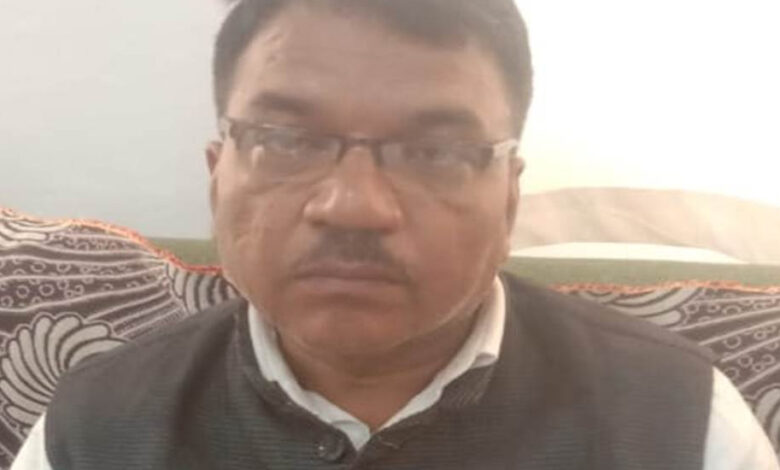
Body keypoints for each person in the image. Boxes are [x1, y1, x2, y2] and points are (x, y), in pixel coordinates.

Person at [11, 0, 779, 468]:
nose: (353, 206)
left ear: (509, 197)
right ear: (218, 176)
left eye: (435, 152)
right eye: (288, 139)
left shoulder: (679, 421)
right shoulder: (97, 428)